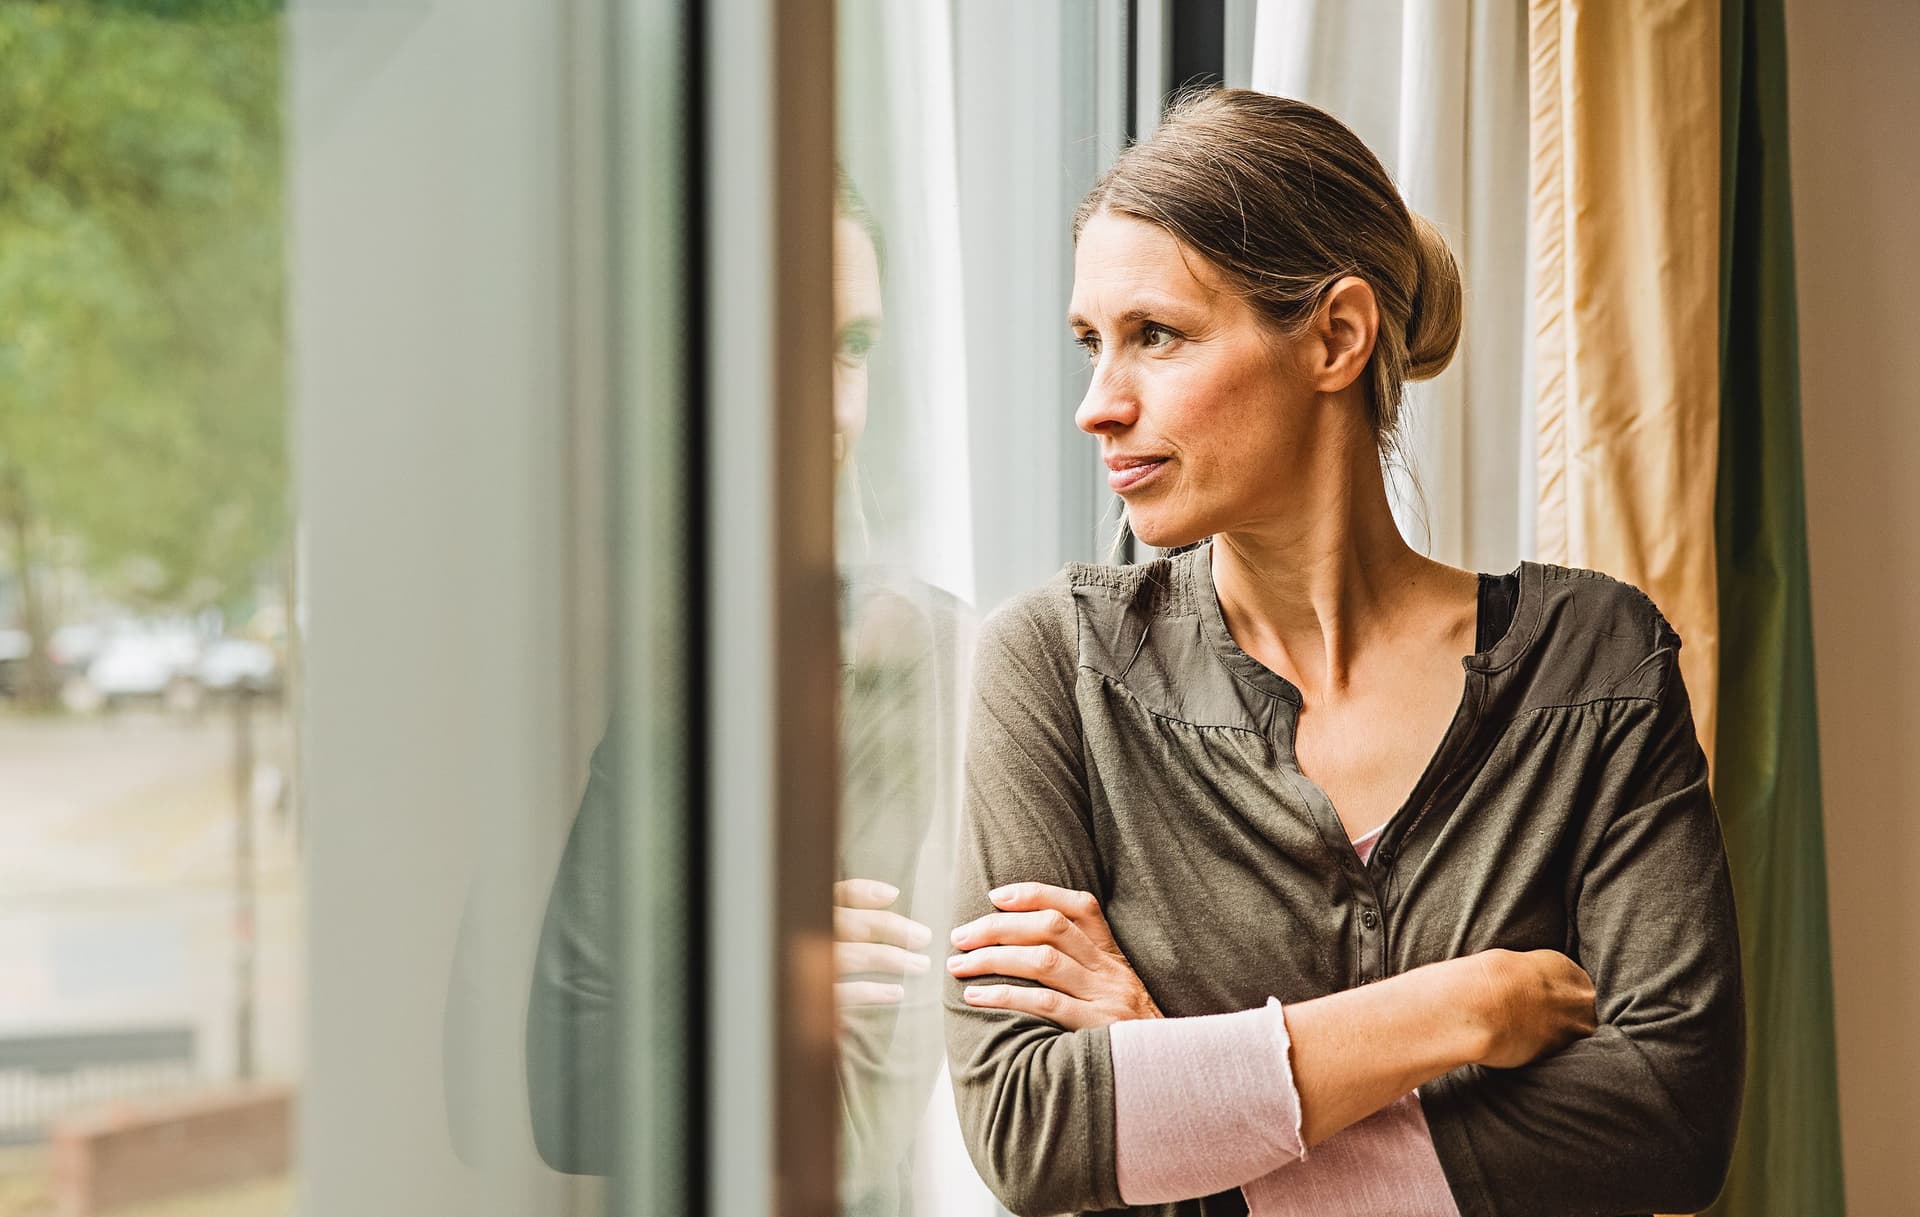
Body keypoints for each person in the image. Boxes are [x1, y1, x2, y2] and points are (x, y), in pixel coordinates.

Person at [942, 88, 1743, 1217]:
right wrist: (1453, 1011)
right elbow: (1033, 1129)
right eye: (1092, 344)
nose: (1097, 405)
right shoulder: (1054, 667)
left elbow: (1672, 1120)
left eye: (1155, 336)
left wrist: (1174, 1073)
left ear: (1335, 335)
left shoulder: (1595, 665)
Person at [524, 173, 967, 1215]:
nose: (833, 404)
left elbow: (884, 1104)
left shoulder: (935, 650)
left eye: (853, 348)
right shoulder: (659, 642)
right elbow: (569, 1081)